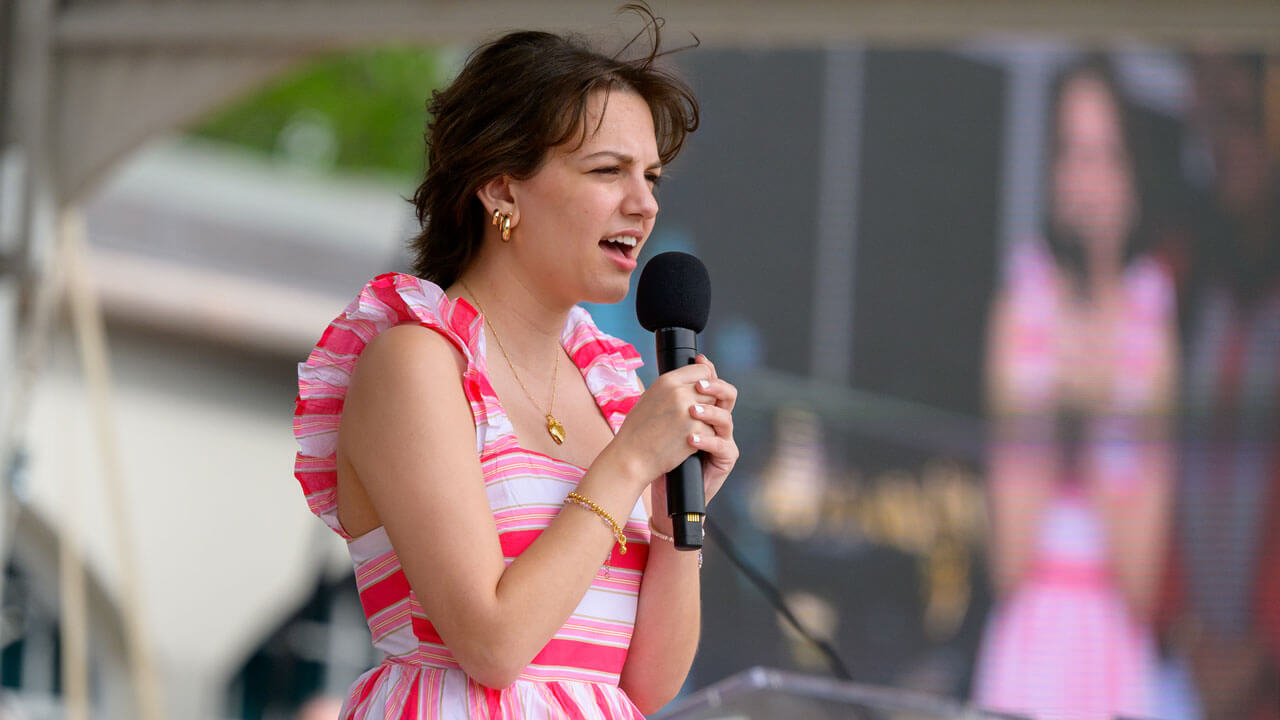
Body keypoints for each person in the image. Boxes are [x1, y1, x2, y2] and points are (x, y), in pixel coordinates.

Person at [291, 9, 740, 718]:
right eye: (607, 171)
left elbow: (646, 687)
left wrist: (675, 519)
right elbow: (494, 646)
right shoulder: (415, 360)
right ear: (501, 190)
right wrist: (626, 464)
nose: (644, 204)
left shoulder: (614, 387)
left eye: (651, 177)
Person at [972, 55, 1178, 719]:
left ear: (1134, 174)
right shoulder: (1021, 304)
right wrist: (1060, 414)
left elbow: (1144, 581)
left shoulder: (1154, 312)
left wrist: (1094, 416)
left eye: (1106, 155)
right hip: (1030, 648)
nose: (1087, 180)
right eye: (1072, 153)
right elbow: (1006, 562)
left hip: (1114, 653)